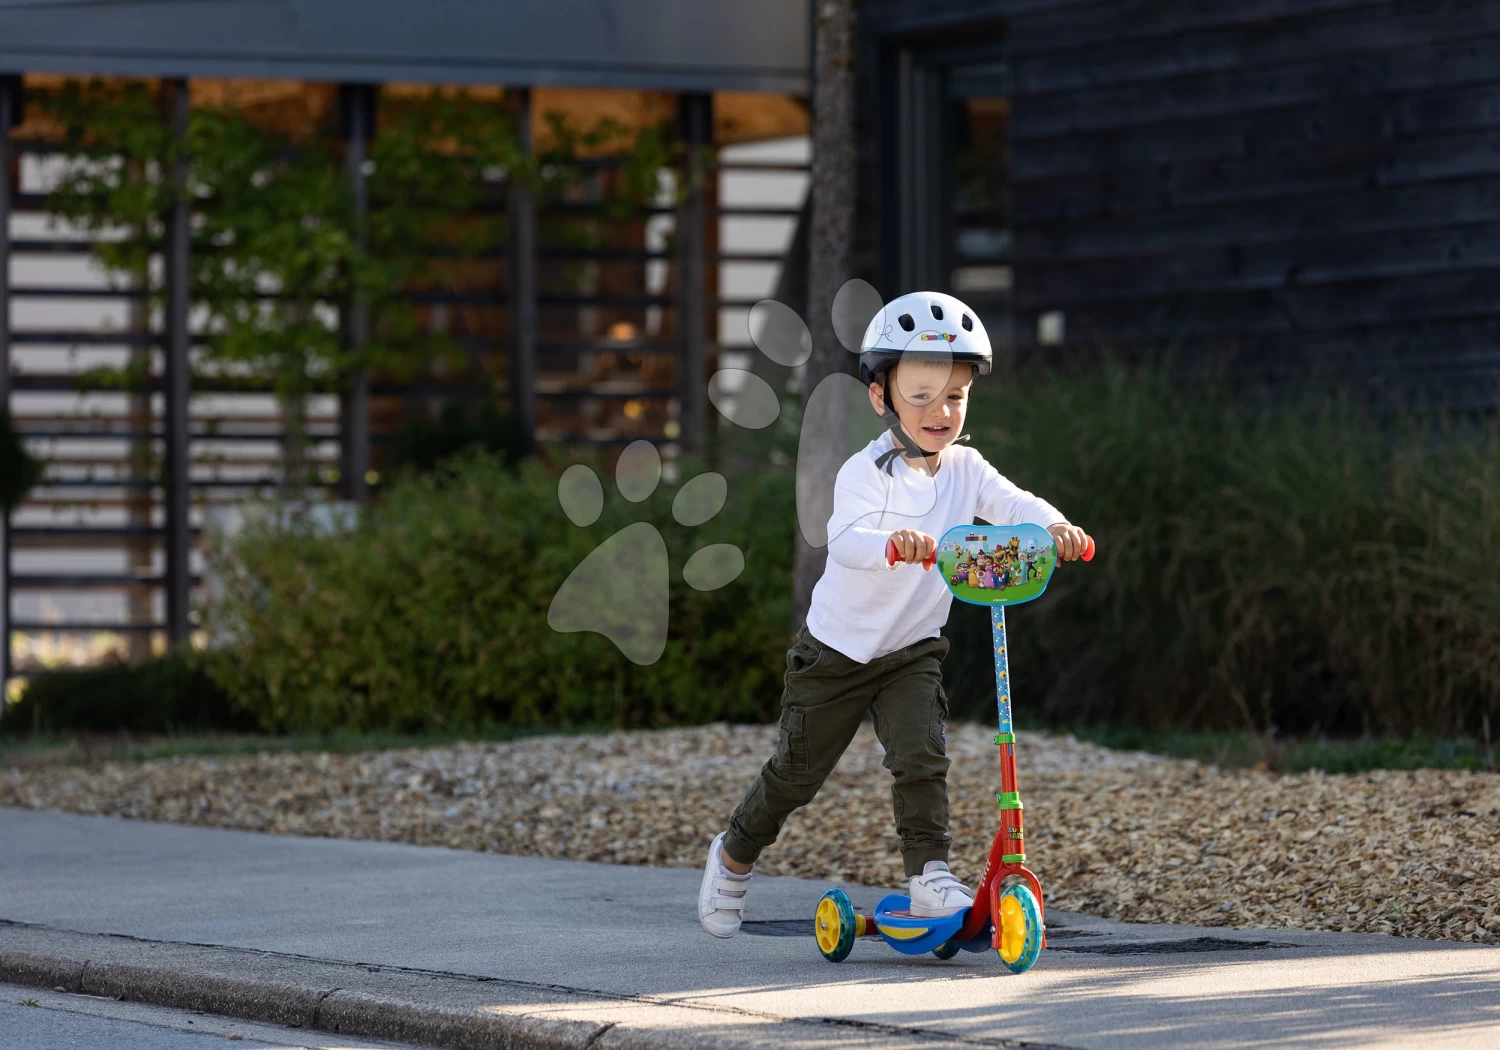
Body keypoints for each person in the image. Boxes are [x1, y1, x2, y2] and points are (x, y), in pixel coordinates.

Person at [698, 291, 1090, 938]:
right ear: (881, 398)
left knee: (921, 755)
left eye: (955, 396)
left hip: (910, 650)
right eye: (921, 394)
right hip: (837, 653)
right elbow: (844, 538)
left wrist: (1056, 527)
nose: (940, 411)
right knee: (796, 776)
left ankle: (930, 873)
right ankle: (735, 853)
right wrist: (892, 544)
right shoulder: (867, 472)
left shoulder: (968, 468)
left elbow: (1013, 502)